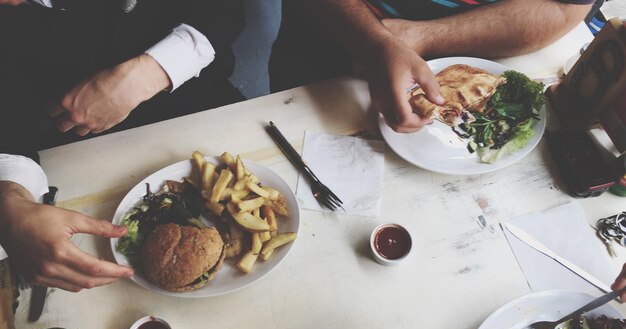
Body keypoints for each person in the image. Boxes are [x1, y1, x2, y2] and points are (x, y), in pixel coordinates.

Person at [0, 0, 244, 292]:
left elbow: (225, 10)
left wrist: (145, 74)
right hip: (73, 164)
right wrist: (9, 202)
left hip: (206, 114)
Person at [270, 0, 595, 133]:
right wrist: (374, 42)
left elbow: (563, 8)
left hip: (495, 48)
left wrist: (421, 35)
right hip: (341, 34)